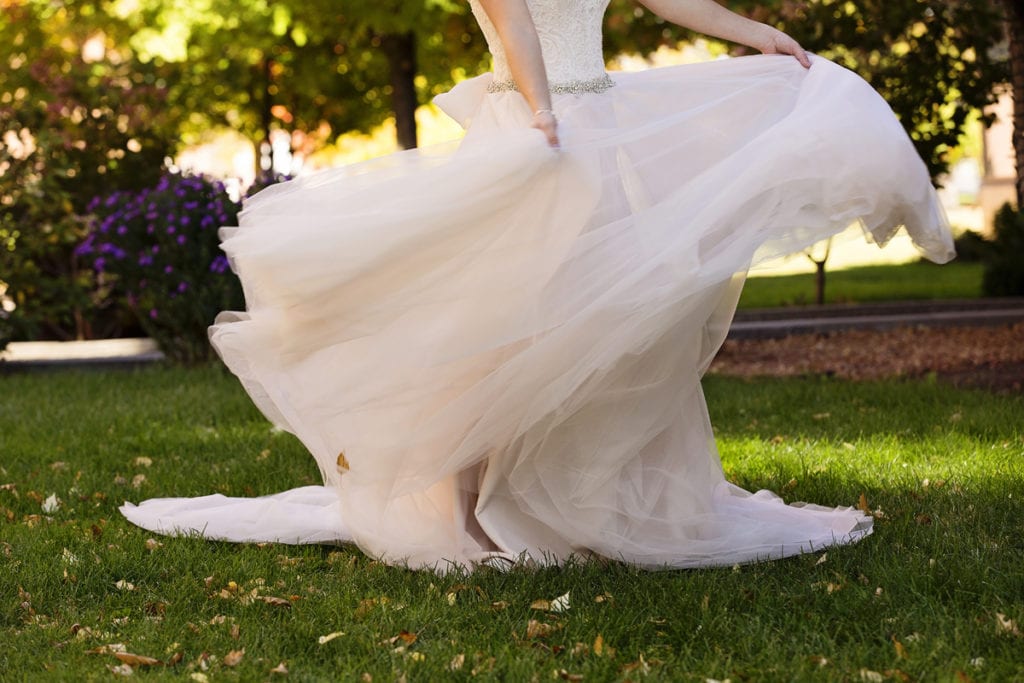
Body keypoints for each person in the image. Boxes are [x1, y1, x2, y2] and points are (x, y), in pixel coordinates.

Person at [121, 0, 954, 571]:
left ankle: (588, 492)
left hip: (599, 136)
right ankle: (465, 514)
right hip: (531, 135)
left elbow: (671, 0)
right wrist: (540, 107)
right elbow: (513, 15)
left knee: (593, 324)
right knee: (497, 326)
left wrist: (755, 32)